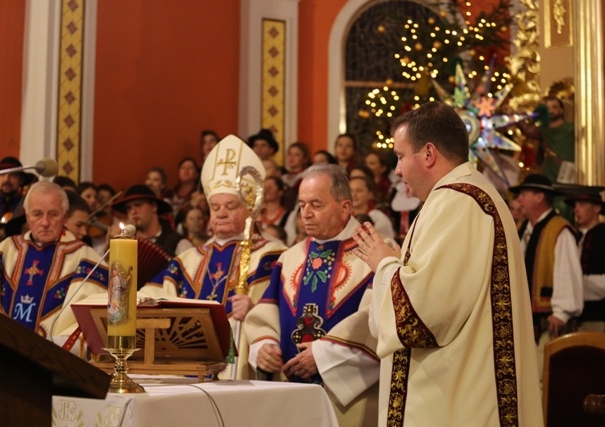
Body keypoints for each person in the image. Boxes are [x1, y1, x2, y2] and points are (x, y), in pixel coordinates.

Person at [353, 101, 543, 426]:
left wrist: (383, 263)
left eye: (400, 156)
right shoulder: (464, 197)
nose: (396, 170)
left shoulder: (458, 203)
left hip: (456, 400)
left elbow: (423, 316)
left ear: (428, 154)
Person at [141, 135, 287, 380]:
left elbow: (287, 317)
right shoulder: (187, 260)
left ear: (250, 209)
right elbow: (150, 299)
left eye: (230, 207)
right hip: (185, 374)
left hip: (241, 375)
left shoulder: (273, 257)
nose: (220, 213)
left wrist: (254, 313)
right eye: (214, 207)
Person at [245, 164, 379, 426]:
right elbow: (266, 313)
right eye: (302, 205)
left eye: (316, 205)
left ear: (345, 207)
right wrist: (264, 347)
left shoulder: (376, 252)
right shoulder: (290, 258)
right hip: (288, 395)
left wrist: (323, 356)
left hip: (350, 402)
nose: (306, 214)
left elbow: (377, 324)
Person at [0, 181, 108, 350]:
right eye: (37, 214)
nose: (45, 222)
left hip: (57, 364)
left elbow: (93, 321)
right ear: (27, 216)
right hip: (0, 357)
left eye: (53, 214)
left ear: (65, 215)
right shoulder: (6, 249)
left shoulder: (85, 258)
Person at [509, 174, 583, 343]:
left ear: (539, 197)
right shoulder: (525, 229)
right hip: (526, 320)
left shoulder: (559, 230)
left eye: (524, 194)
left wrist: (561, 312)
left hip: (549, 323)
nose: (519, 199)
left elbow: (567, 271)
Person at [564, 185, 605, 332]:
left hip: (599, 317)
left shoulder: (602, 235)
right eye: (575, 205)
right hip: (577, 318)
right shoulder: (575, 237)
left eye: (582, 205)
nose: (576, 209)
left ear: (597, 208)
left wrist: (577, 282)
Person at [111, 184, 182, 256]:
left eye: (138, 205)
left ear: (154, 207)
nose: (132, 212)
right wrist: (111, 246)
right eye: (129, 208)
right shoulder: (126, 242)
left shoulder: (178, 243)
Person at [0, 156, 27, 224]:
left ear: (21, 180)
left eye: (13, 175)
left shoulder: (26, 205)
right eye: (2, 174)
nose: (6, 179)